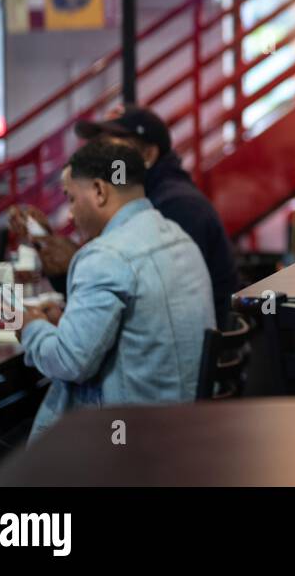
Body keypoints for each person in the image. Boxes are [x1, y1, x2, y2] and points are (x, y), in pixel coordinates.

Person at [18, 139, 214, 444]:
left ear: (99, 191)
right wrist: (68, 319)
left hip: (122, 444)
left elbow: (69, 362)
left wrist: (31, 327)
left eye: (71, 198)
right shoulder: (180, 238)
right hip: (185, 432)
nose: (70, 214)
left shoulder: (106, 255)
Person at [11, 105, 239, 327]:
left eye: (114, 147)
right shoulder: (136, 202)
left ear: (148, 155)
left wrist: (76, 265)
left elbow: (151, 303)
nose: (103, 157)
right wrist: (48, 244)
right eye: (99, 145)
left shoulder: (177, 206)